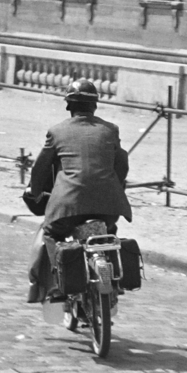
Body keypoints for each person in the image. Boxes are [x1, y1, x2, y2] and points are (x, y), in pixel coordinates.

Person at [24, 79, 131, 303]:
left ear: (68, 106)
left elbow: (40, 168)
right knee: (108, 232)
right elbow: (121, 162)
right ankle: (113, 282)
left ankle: (60, 284)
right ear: (95, 106)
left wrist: (34, 192)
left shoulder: (57, 132)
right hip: (109, 205)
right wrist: (116, 186)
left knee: (52, 233)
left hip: (68, 206)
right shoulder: (110, 130)